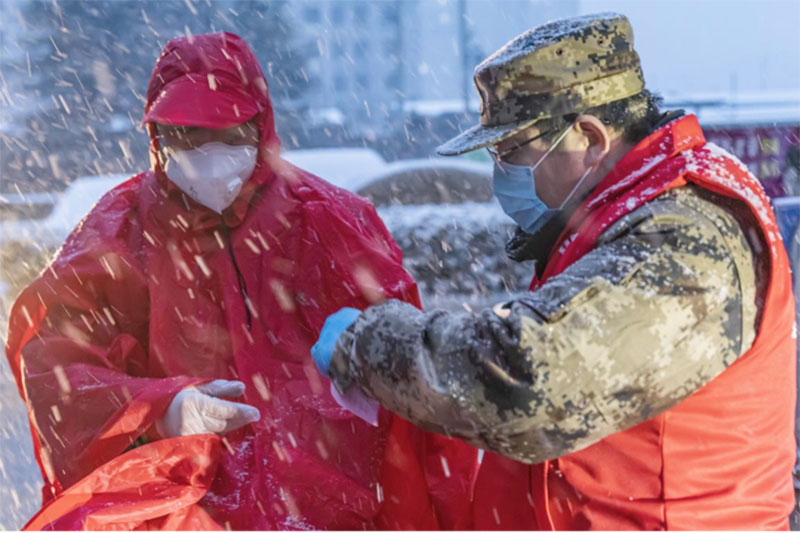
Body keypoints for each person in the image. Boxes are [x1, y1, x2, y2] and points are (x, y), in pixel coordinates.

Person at [313, 13, 797, 530]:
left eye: (511, 153)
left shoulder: (686, 234)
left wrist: (370, 344)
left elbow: (530, 379)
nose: (502, 177)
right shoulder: (619, 214)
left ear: (587, 137)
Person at [5, 32, 475, 530]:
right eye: (187, 136)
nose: (209, 154)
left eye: (229, 136)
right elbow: (54, 365)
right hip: (179, 509)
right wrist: (158, 409)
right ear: (157, 138)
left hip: (328, 510)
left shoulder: (329, 224)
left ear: (260, 126)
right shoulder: (117, 235)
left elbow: (413, 382)